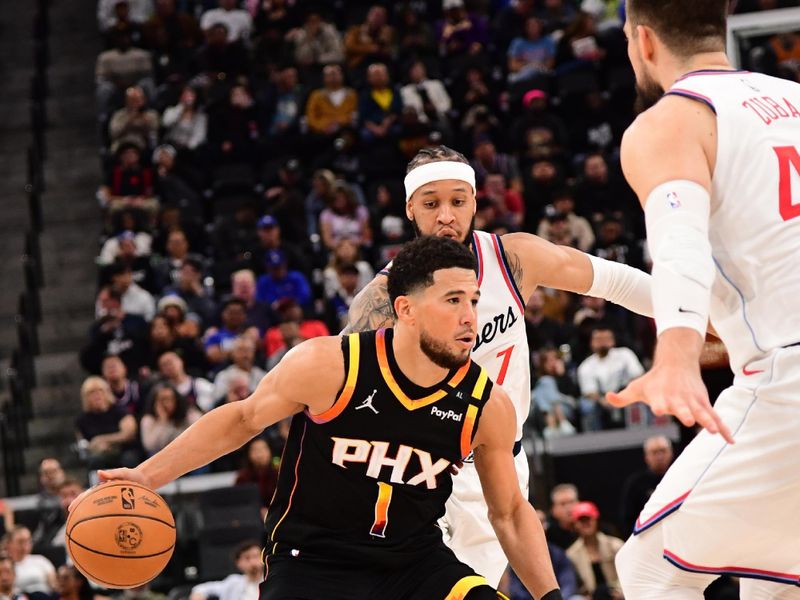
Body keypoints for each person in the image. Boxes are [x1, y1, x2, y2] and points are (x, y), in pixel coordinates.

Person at [79, 236, 562, 600]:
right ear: (406, 309)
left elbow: (511, 514)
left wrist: (552, 598)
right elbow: (242, 420)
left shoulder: (487, 404)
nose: (470, 317)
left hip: (415, 564)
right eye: (453, 300)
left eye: (474, 301)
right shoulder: (331, 365)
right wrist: (145, 475)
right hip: (313, 564)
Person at [344, 145, 655, 586]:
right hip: (422, 470)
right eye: (431, 204)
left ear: (474, 201)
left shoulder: (512, 259)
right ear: (411, 208)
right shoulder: (381, 300)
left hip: (503, 463)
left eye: (457, 200)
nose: (446, 215)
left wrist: (688, 315)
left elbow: (614, 281)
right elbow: (344, 391)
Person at [606, 1, 800, 598]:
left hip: (786, 374)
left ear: (642, 41)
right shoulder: (793, 99)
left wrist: (676, 352)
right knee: (771, 579)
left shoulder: (671, 121)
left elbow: (680, 244)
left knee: (648, 567)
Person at [566, 502, 624, 600]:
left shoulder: (615, 545)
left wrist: (619, 592)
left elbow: (628, 572)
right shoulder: (572, 554)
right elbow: (574, 584)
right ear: (575, 524)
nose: (586, 523)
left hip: (618, 594)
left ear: (596, 520)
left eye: (588, 519)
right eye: (581, 520)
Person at [619, 435, 673, 537]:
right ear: (646, 457)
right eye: (654, 452)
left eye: (663, 451)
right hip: (648, 536)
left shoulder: (680, 477)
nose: (660, 456)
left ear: (671, 453)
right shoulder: (635, 483)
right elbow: (628, 519)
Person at [189, 541, 262, 600]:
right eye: (247, 558)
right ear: (238, 563)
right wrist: (198, 595)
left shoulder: (271, 582)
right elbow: (201, 589)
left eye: (256, 556)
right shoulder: (234, 582)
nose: (253, 562)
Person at [5, 526, 56, 595]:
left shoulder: (41, 560)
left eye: (28, 541)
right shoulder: (5, 567)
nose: (24, 546)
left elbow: (54, 586)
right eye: (20, 541)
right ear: (9, 543)